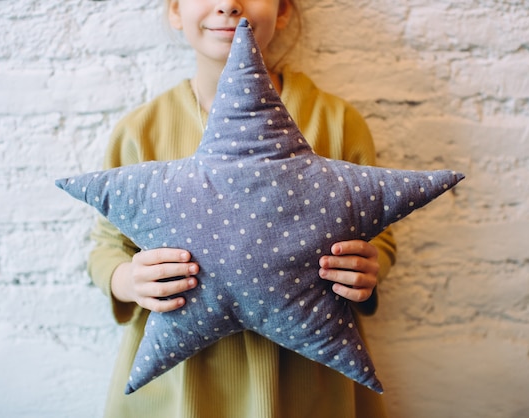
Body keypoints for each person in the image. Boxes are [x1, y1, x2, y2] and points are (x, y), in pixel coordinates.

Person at [88, 0, 397, 416]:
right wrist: (129, 280)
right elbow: (108, 244)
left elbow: (379, 233)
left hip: (308, 378)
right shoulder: (142, 131)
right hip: (182, 387)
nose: (228, 4)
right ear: (176, 11)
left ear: (283, 11)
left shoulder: (335, 121)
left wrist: (368, 267)